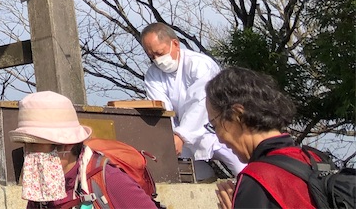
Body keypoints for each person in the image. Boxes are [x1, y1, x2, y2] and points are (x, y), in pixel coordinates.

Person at [206, 66, 332, 209]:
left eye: (215, 125)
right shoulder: (317, 161)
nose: (219, 139)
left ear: (238, 115)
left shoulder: (258, 179)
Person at [9, 90, 159, 209]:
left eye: (35, 145)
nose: (29, 155)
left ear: (66, 144)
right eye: (26, 145)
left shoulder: (108, 179)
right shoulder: (40, 187)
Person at [140, 22, 245, 180]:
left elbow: (201, 103)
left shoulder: (200, 65)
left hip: (218, 130)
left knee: (243, 170)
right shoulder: (153, 74)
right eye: (151, 56)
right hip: (183, 137)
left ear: (175, 44)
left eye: (159, 53)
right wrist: (169, 137)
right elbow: (161, 109)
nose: (157, 60)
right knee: (189, 176)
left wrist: (181, 135)